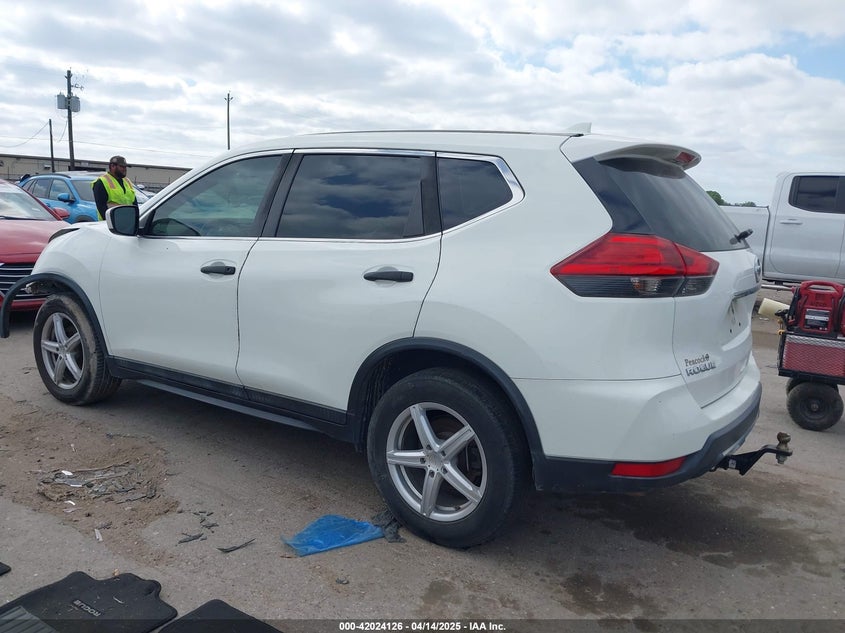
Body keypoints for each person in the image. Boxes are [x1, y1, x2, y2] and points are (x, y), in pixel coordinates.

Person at [92, 156, 137, 220]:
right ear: (112, 166)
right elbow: (102, 207)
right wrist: (111, 223)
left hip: (128, 222)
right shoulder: (102, 182)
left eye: (125, 167)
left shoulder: (127, 181)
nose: (125, 169)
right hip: (110, 223)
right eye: (122, 167)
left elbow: (134, 204)